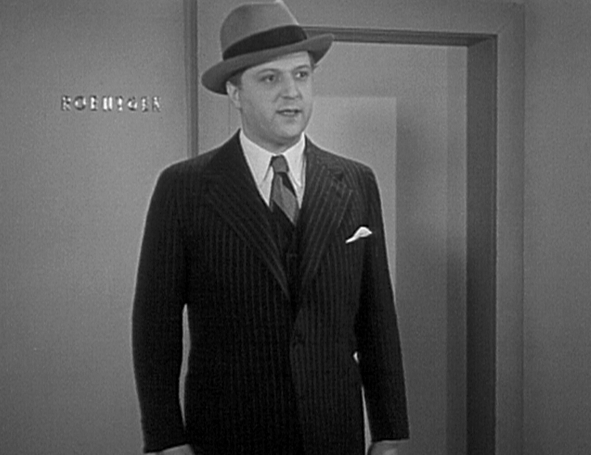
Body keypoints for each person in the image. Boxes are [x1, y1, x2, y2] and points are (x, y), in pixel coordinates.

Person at [132, 2, 409, 454]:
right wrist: (167, 440)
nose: (291, 93)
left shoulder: (356, 182)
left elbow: (377, 316)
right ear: (236, 92)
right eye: (270, 79)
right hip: (229, 435)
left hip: (331, 435)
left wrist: (389, 433)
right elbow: (155, 327)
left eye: (301, 75)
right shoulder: (184, 189)